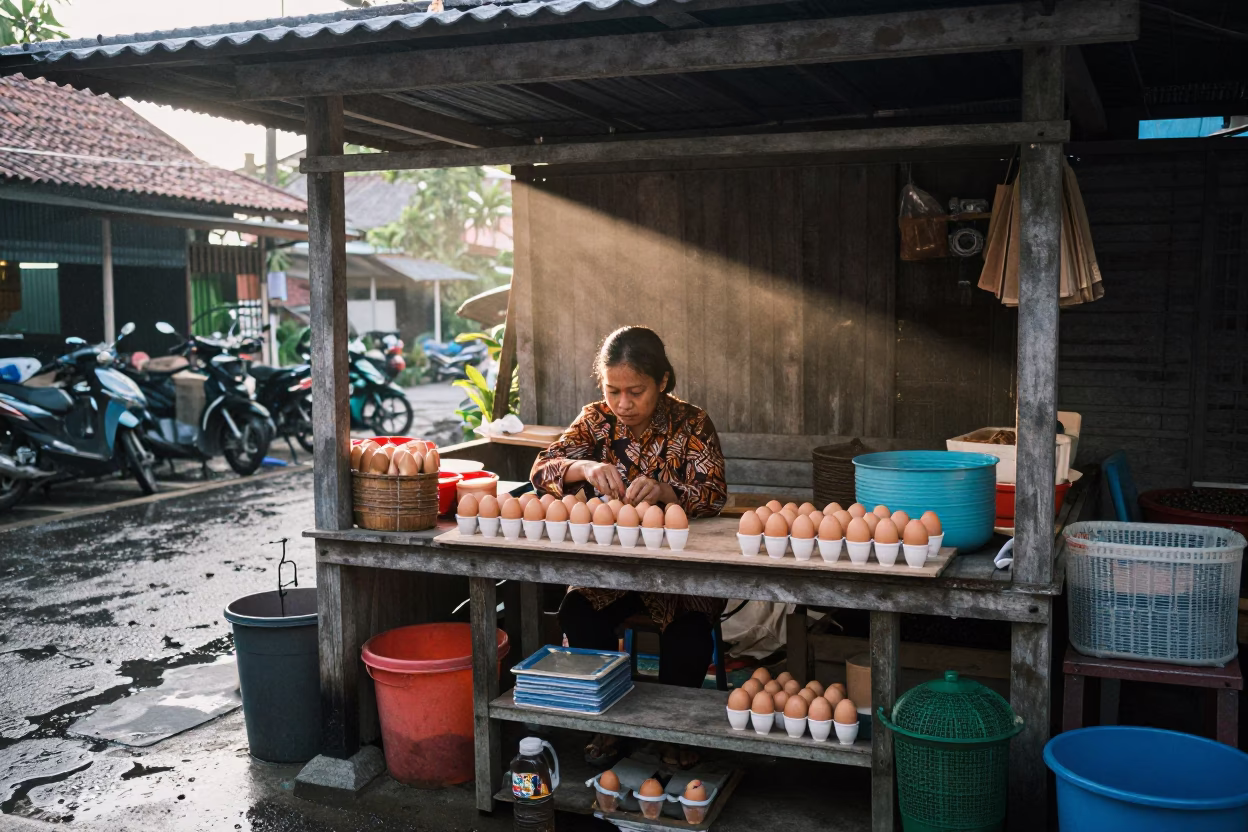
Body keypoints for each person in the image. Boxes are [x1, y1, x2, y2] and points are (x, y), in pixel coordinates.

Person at [530, 326, 727, 767]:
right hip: (612, 570)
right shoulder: (595, 421)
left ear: (662, 381)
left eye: (636, 391)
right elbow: (541, 469)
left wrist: (667, 493)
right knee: (578, 611)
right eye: (612, 390)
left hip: (677, 572)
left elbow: (714, 494)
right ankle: (609, 724)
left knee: (691, 628)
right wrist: (582, 467)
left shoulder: (691, 424)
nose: (623, 403)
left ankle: (674, 730)